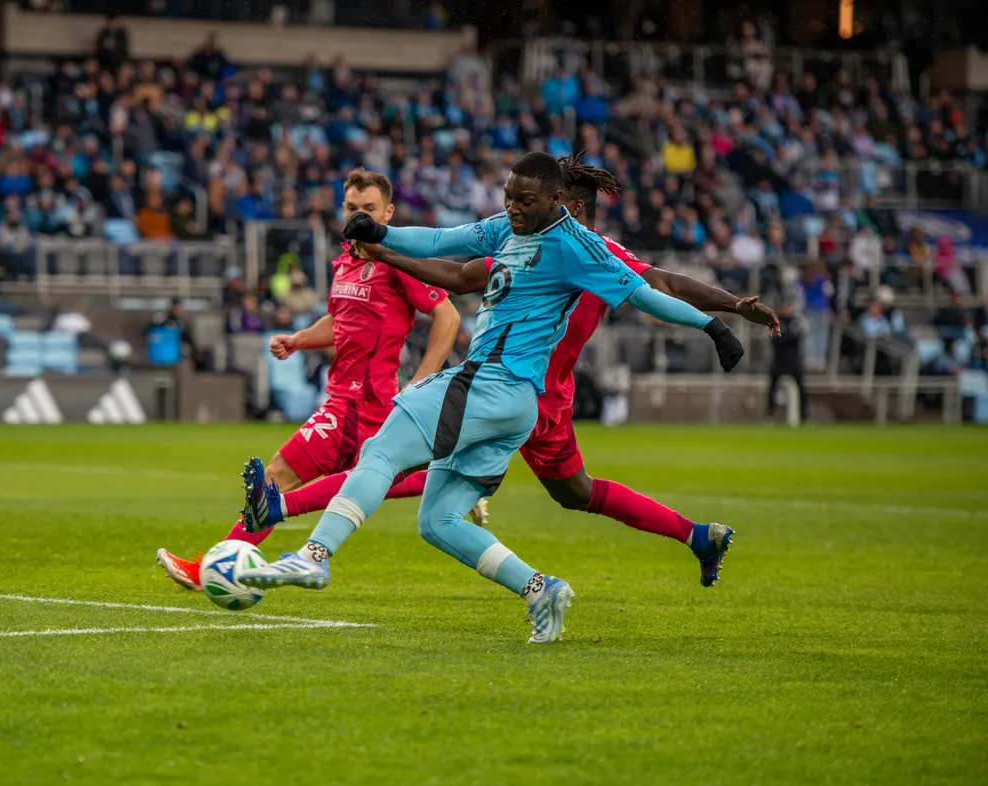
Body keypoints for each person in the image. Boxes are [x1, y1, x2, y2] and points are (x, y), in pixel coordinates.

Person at [238, 153, 745, 643]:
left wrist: (713, 324)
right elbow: (443, 239)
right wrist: (384, 235)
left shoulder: (579, 247)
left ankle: (314, 556)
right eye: (508, 197)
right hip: (517, 406)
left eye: (524, 200)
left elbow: (647, 291)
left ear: (556, 201)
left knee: (382, 450)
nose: (513, 208)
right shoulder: (507, 229)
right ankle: (541, 590)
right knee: (439, 521)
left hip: (494, 383)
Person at [155, 168, 462, 590]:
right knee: (369, 480)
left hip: (362, 404)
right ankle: (450, 485)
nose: (360, 216)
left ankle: (209, 571)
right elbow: (339, 322)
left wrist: (423, 379)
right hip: (342, 398)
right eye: (352, 208)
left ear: (387, 213)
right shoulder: (345, 262)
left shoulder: (397, 263)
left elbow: (447, 315)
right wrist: (299, 340)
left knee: (275, 480)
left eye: (369, 209)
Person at [767, 298, 807, 422]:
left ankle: (805, 415)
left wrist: (783, 337)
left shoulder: (795, 321)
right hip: (779, 360)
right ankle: (769, 414)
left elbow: (796, 337)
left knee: (801, 388)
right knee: (772, 388)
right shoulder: (775, 321)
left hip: (793, 360)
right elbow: (775, 339)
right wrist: (785, 338)